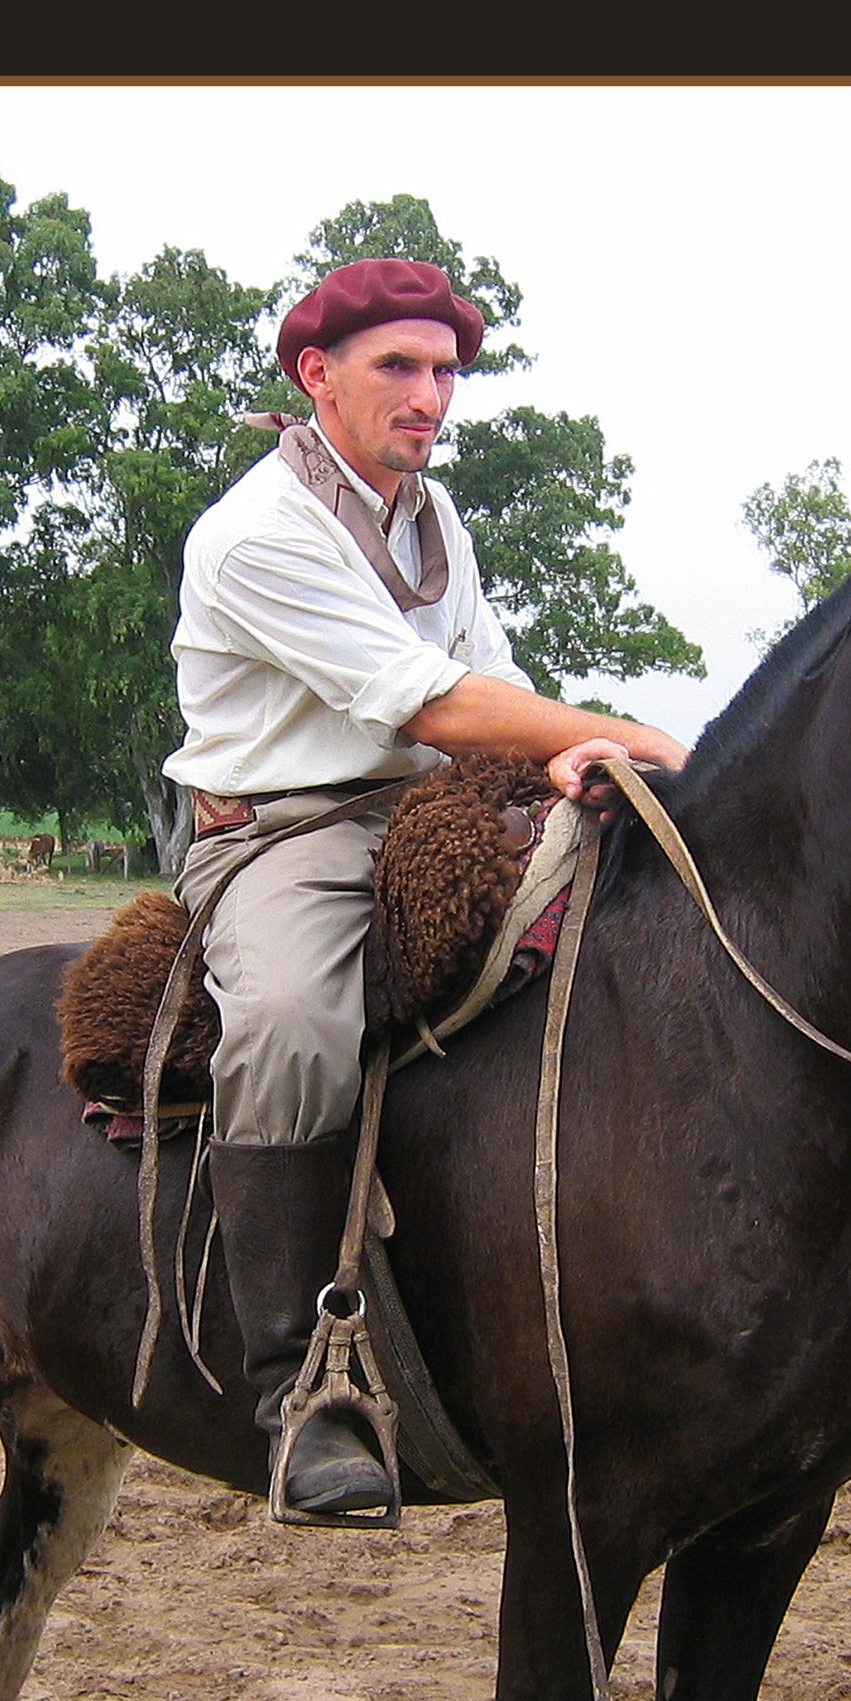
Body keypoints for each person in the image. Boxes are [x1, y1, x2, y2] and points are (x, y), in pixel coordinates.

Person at [164, 258, 691, 1519]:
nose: (429, 394)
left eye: (444, 370)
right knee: (292, 1019)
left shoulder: (433, 518)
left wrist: (566, 750)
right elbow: (426, 696)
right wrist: (643, 732)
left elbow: (486, 678)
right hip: (288, 833)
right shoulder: (255, 532)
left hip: (432, 803)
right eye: (397, 367)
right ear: (316, 377)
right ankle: (298, 1386)